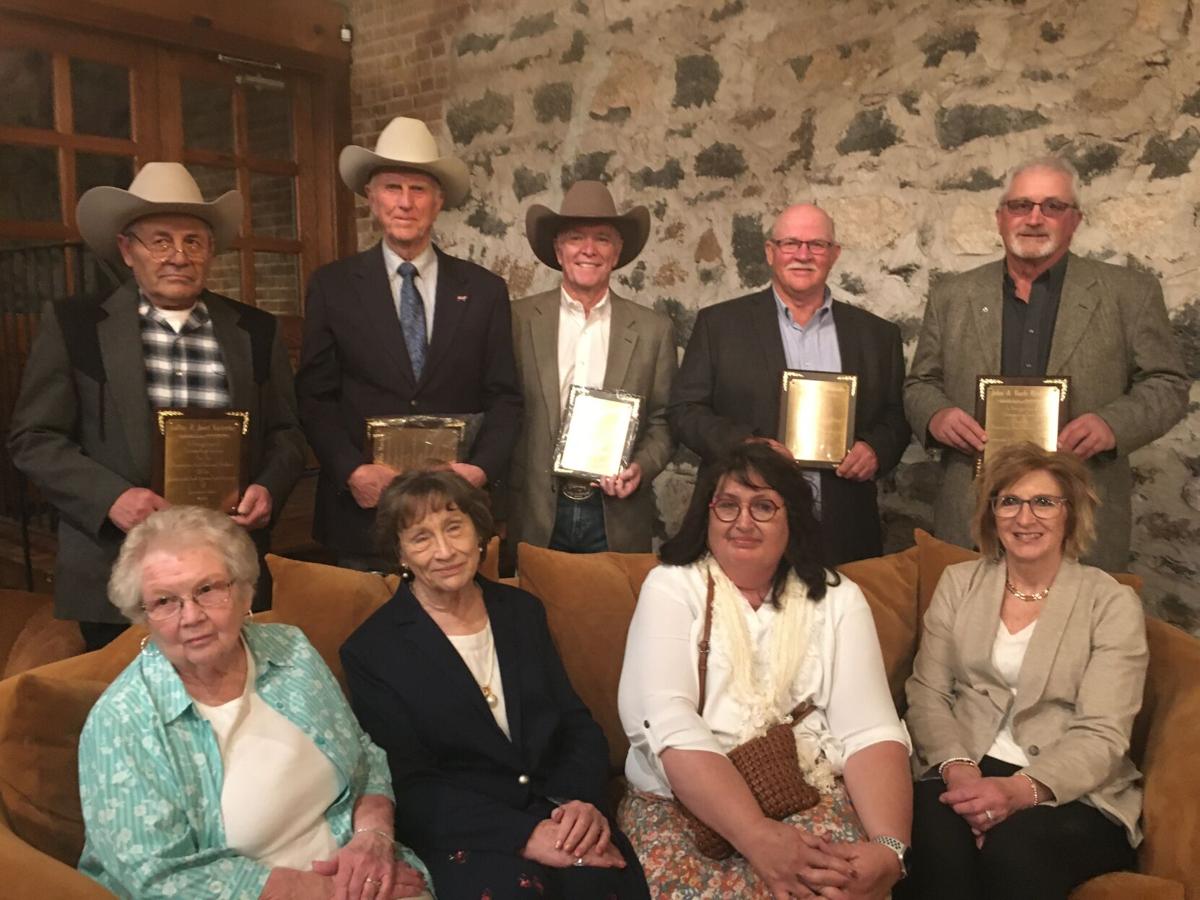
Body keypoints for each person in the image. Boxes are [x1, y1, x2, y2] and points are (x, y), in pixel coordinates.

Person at [8, 163, 306, 650]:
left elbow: (287, 433)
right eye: (160, 241)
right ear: (128, 250)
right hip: (117, 567)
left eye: (193, 241)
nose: (178, 256)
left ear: (210, 251)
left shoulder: (256, 330)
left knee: (229, 698)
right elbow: (34, 438)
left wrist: (269, 488)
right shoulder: (74, 326)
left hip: (227, 565)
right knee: (130, 707)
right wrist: (111, 499)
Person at [76, 505, 431, 900]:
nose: (191, 616)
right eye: (164, 601)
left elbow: (362, 756)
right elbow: (157, 878)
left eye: (207, 589)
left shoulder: (289, 650)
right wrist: (329, 892)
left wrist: (374, 837)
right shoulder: (122, 722)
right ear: (143, 615)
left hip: (361, 875)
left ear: (243, 589)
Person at [618, 441, 912, 899]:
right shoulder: (672, 586)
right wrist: (756, 836)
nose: (742, 522)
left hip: (806, 791)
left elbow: (870, 730)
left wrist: (890, 849)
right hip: (685, 806)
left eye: (763, 507)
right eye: (728, 505)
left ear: (791, 519)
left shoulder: (838, 598)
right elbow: (665, 722)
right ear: (707, 514)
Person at [341, 470, 650, 900]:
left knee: (600, 885)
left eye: (454, 527)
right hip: (469, 833)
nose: (445, 551)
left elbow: (576, 723)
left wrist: (579, 804)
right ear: (400, 553)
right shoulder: (373, 650)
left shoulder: (521, 612)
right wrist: (525, 834)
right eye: (421, 538)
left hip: (560, 812)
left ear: (479, 531)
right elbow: (409, 786)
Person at [904, 156, 1190, 572]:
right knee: (966, 631)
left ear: (1075, 220)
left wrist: (1113, 425)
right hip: (973, 507)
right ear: (1001, 218)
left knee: (1074, 633)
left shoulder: (1130, 292)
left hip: (1081, 509)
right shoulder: (953, 295)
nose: (1034, 218)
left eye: (1052, 206)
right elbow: (920, 383)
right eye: (1021, 206)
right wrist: (935, 415)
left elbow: (1168, 383)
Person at [900, 442, 1148, 899]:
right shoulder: (959, 584)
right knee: (931, 836)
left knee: (1014, 851)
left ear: (1070, 513)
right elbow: (928, 691)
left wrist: (1018, 792)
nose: (1025, 517)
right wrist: (959, 770)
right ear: (992, 513)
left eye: (1044, 502)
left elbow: (1103, 733)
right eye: (1009, 501)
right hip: (965, 762)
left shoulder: (1110, 603)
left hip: (1071, 785)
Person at [296, 116, 522, 571]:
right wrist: (350, 471)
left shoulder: (484, 290)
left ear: (438, 202)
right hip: (361, 514)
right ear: (371, 199)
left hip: (454, 516)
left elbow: (506, 397)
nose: (404, 202)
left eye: (418, 190)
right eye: (392, 188)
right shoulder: (332, 286)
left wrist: (479, 471)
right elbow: (314, 395)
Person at [668, 204, 910, 566]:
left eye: (816, 245)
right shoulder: (719, 326)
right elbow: (685, 411)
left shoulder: (877, 335)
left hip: (843, 528)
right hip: (747, 524)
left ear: (835, 254)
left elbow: (896, 416)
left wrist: (875, 450)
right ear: (770, 252)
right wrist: (747, 447)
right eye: (791, 244)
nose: (802, 255)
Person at [510, 180, 676, 556]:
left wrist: (642, 467)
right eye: (575, 238)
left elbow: (665, 420)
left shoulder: (653, 330)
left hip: (616, 514)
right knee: (534, 612)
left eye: (602, 238)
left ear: (617, 253)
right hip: (537, 510)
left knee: (613, 613)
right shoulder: (517, 320)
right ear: (558, 249)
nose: (588, 249)